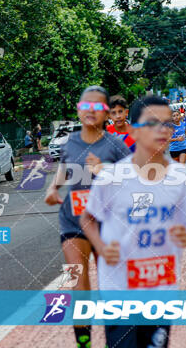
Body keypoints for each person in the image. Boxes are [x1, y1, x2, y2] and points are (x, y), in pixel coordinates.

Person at [81, 96, 186, 347]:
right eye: (152, 124)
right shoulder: (112, 178)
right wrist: (102, 248)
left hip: (161, 292)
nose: (162, 130)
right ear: (133, 131)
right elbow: (87, 218)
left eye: (167, 124)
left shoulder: (182, 179)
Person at [44, 86, 129, 348]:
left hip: (108, 224)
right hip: (72, 220)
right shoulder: (69, 141)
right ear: (79, 110)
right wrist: (54, 187)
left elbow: (134, 180)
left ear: (106, 113)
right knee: (78, 285)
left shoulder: (115, 144)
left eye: (97, 107)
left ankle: (115, 341)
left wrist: (105, 170)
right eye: (85, 106)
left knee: (111, 288)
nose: (91, 111)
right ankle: (84, 344)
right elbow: (66, 167)